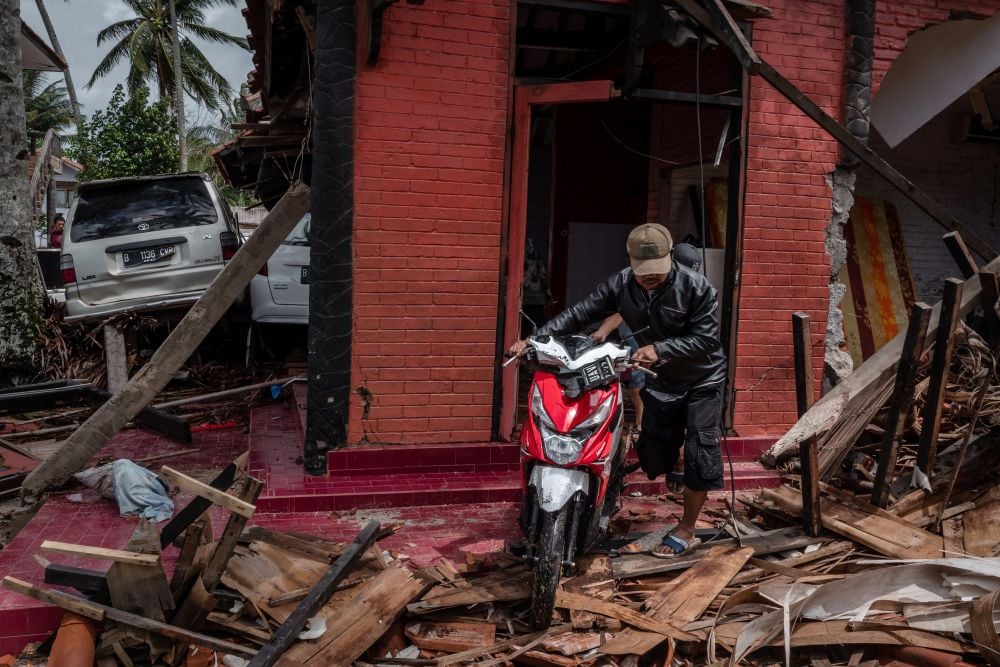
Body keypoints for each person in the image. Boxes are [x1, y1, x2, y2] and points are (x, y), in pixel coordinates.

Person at [509, 223, 726, 559]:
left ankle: (686, 528)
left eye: (657, 271)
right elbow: (579, 312)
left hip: (702, 379)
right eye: (643, 272)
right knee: (653, 452)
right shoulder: (620, 283)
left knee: (701, 451)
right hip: (658, 377)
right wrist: (535, 340)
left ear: (671, 257)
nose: (650, 278)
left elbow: (707, 339)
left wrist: (660, 349)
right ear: (631, 261)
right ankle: (661, 469)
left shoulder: (697, 288)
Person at [588, 240, 708, 493]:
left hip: (679, 361)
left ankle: (679, 458)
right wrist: (601, 332)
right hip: (645, 347)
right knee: (642, 382)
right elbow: (622, 311)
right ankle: (647, 431)